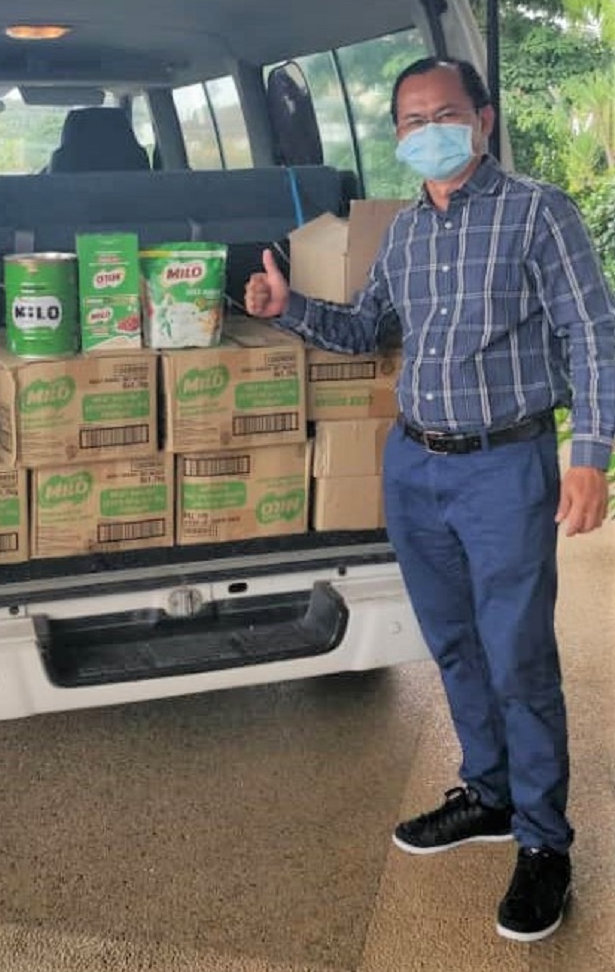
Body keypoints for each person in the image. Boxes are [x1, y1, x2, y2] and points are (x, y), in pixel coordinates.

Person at [245, 56, 615, 944]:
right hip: (415, 465)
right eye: (410, 120)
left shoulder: (539, 212)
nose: (426, 130)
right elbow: (369, 327)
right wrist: (288, 304)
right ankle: (486, 794)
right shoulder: (408, 231)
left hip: (503, 465)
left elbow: (592, 331)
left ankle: (544, 843)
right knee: (451, 644)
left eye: (443, 113)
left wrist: (590, 454)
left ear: (482, 120)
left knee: (518, 654)